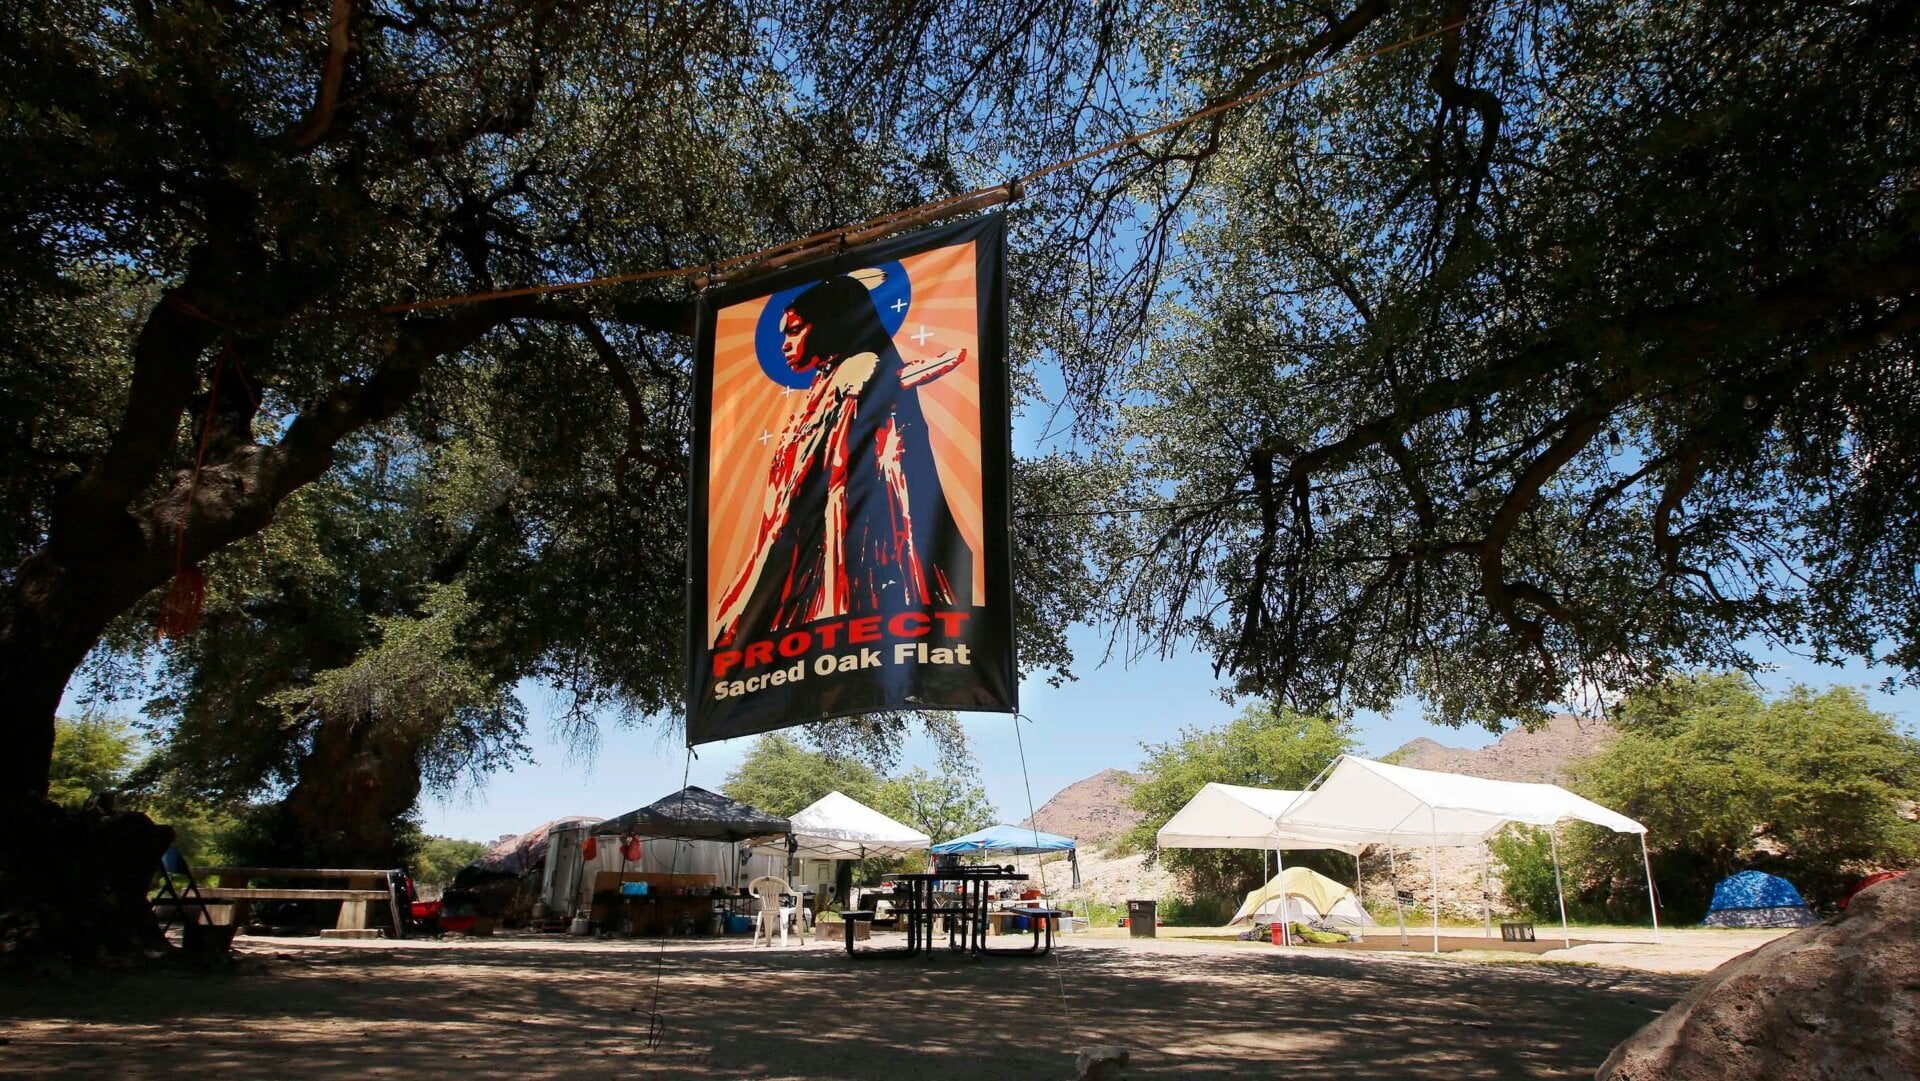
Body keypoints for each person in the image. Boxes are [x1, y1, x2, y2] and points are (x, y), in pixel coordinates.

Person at [714, 273, 972, 648]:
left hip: (852, 550)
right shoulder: (828, 377)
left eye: (795, 330)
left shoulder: (856, 371)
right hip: (817, 551)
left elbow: (815, 478)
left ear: (833, 324)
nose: (785, 344)